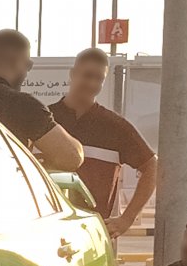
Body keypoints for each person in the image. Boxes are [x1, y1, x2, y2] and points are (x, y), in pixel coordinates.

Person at [49, 48, 158, 238]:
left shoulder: (115, 126)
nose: (92, 83)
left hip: (94, 236)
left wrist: (127, 219)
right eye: (87, 75)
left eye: (99, 78)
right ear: (73, 74)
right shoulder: (45, 119)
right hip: (47, 231)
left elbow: (152, 166)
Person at [0, 28, 84, 171]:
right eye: (28, 64)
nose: (27, 71)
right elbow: (72, 157)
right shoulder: (21, 105)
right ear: (17, 61)